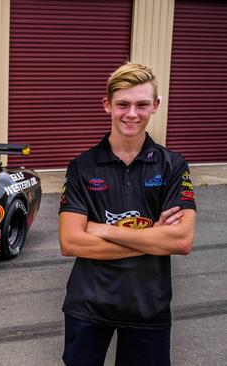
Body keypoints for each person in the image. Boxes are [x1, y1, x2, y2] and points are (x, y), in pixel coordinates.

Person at [58, 62, 197, 366]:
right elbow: (71, 243)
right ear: (107, 105)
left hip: (149, 305)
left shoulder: (172, 166)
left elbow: (181, 240)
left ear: (156, 106)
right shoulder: (82, 167)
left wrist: (102, 229)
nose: (132, 113)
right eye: (123, 104)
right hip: (89, 304)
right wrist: (153, 237)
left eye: (141, 104)